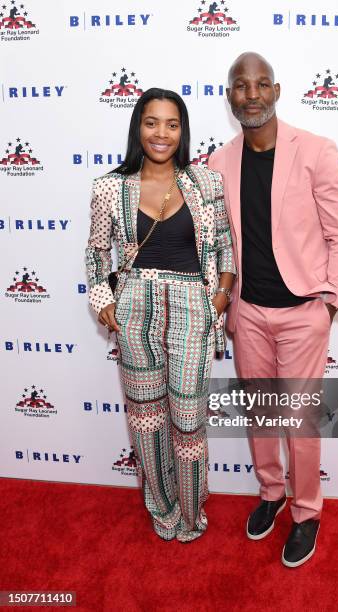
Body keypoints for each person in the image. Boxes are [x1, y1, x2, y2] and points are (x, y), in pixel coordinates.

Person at [209, 53, 338, 567]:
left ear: (276, 90)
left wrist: (330, 300)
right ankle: (272, 493)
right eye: (240, 86)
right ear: (229, 97)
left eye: (261, 84)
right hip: (247, 311)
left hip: (302, 312)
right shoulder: (218, 162)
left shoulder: (315, 150)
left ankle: (307, 512)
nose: (251, 94)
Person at [85, 88, 235, 542]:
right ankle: (162, 508)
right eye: (152, 122)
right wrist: (101, 299)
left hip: (193, 305)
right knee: (146, 419)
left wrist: (220, 299)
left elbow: (226, 248)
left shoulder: (206, 182)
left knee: (187, 418)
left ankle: (191, 511)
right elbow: (95, 254)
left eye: (172, 124)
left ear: (182, 131)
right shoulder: (110, 187)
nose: (161, 133)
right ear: (138, 127)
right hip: (134, 308)